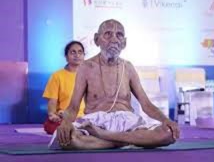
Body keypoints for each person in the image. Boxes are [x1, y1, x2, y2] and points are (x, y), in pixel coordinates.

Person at [50, 19, 179, 149]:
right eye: (107, 34)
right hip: (96, 122)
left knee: (168, 134)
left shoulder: (128, 67)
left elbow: (146, 104)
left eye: (119, 35)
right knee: (67, 139)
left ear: (124, 43)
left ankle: (106, 138)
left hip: (127, 122)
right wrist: (66, 122)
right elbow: (73, 106)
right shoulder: (86, 67)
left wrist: (166, 120)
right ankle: (129, 141)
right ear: (96, 39)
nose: (114, 39)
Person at [43, 41, 86, 134]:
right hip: (65, 116)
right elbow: (52, 101)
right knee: (50, 126)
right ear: (66, 57)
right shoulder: (57, 76)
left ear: (84, 56)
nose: (77, 55)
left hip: (85, 118)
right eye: (73, 52)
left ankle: (78, 128)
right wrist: (52, 114)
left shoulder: (90, 75)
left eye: (80, 52)